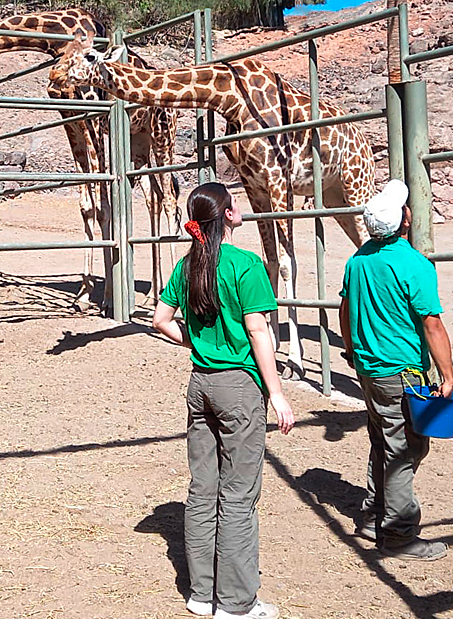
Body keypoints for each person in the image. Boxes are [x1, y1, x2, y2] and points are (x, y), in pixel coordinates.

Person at [153, 182, 294, 619]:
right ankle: (236, 602)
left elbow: (160, 321)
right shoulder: (246, 265)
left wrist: (198, 344)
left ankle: (201, 594)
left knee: (202, 491)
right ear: (229, 215)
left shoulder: (187, 264)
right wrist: (277, 394)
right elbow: (257, 332)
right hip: (238, 386)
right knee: (238, 497)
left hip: (200, 383)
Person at [339, 179, 453, 561]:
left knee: (381, 439)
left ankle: (374, 514)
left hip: (369, 370)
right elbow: (432, 324)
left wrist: (352, 349)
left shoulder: (357, 261)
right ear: (405, 221)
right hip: (403, 372)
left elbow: (344, 310)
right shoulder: (415, 265)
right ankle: (400, 533)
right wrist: (448, 374)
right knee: (405, 448)